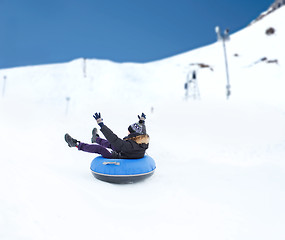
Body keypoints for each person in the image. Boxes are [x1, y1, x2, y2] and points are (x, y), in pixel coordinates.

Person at [64, 112, 149, 159]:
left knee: (100, 149)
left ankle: (76, 144)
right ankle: (96, 139)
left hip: (121, 158)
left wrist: (101, 125)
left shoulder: (129, 145)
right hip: (127, 153)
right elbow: (142, 130)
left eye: (129, 132)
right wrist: (141, 121)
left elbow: (114, 139)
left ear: (133, 134)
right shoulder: (143, 140)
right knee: (112, 145)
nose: (127, 133)